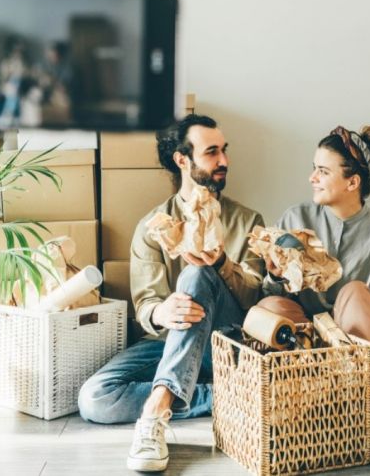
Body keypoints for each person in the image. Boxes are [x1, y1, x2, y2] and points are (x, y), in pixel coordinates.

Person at [77, 114, 265, 472]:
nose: (224, 160)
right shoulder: (153, 227)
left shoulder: (247, 222)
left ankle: (156, 410)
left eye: (224, 151)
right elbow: (146, 303)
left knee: (196, 273)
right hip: (168, 344)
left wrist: (222, 263)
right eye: (211, 152)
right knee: (94, 399)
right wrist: (162, 312)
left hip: (226, 344)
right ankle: (226, 396)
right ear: (182, 160)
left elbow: (256, 299)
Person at [257, 125, 370, 472]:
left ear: (352, 182)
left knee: (357, 291)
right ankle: (291, 417)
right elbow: (269, 298)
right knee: (268, 307)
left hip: (357, 350)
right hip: (304, 345)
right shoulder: (294, 219)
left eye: (323, 171)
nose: (312, 177)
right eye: (314, 167)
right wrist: (274, 275)